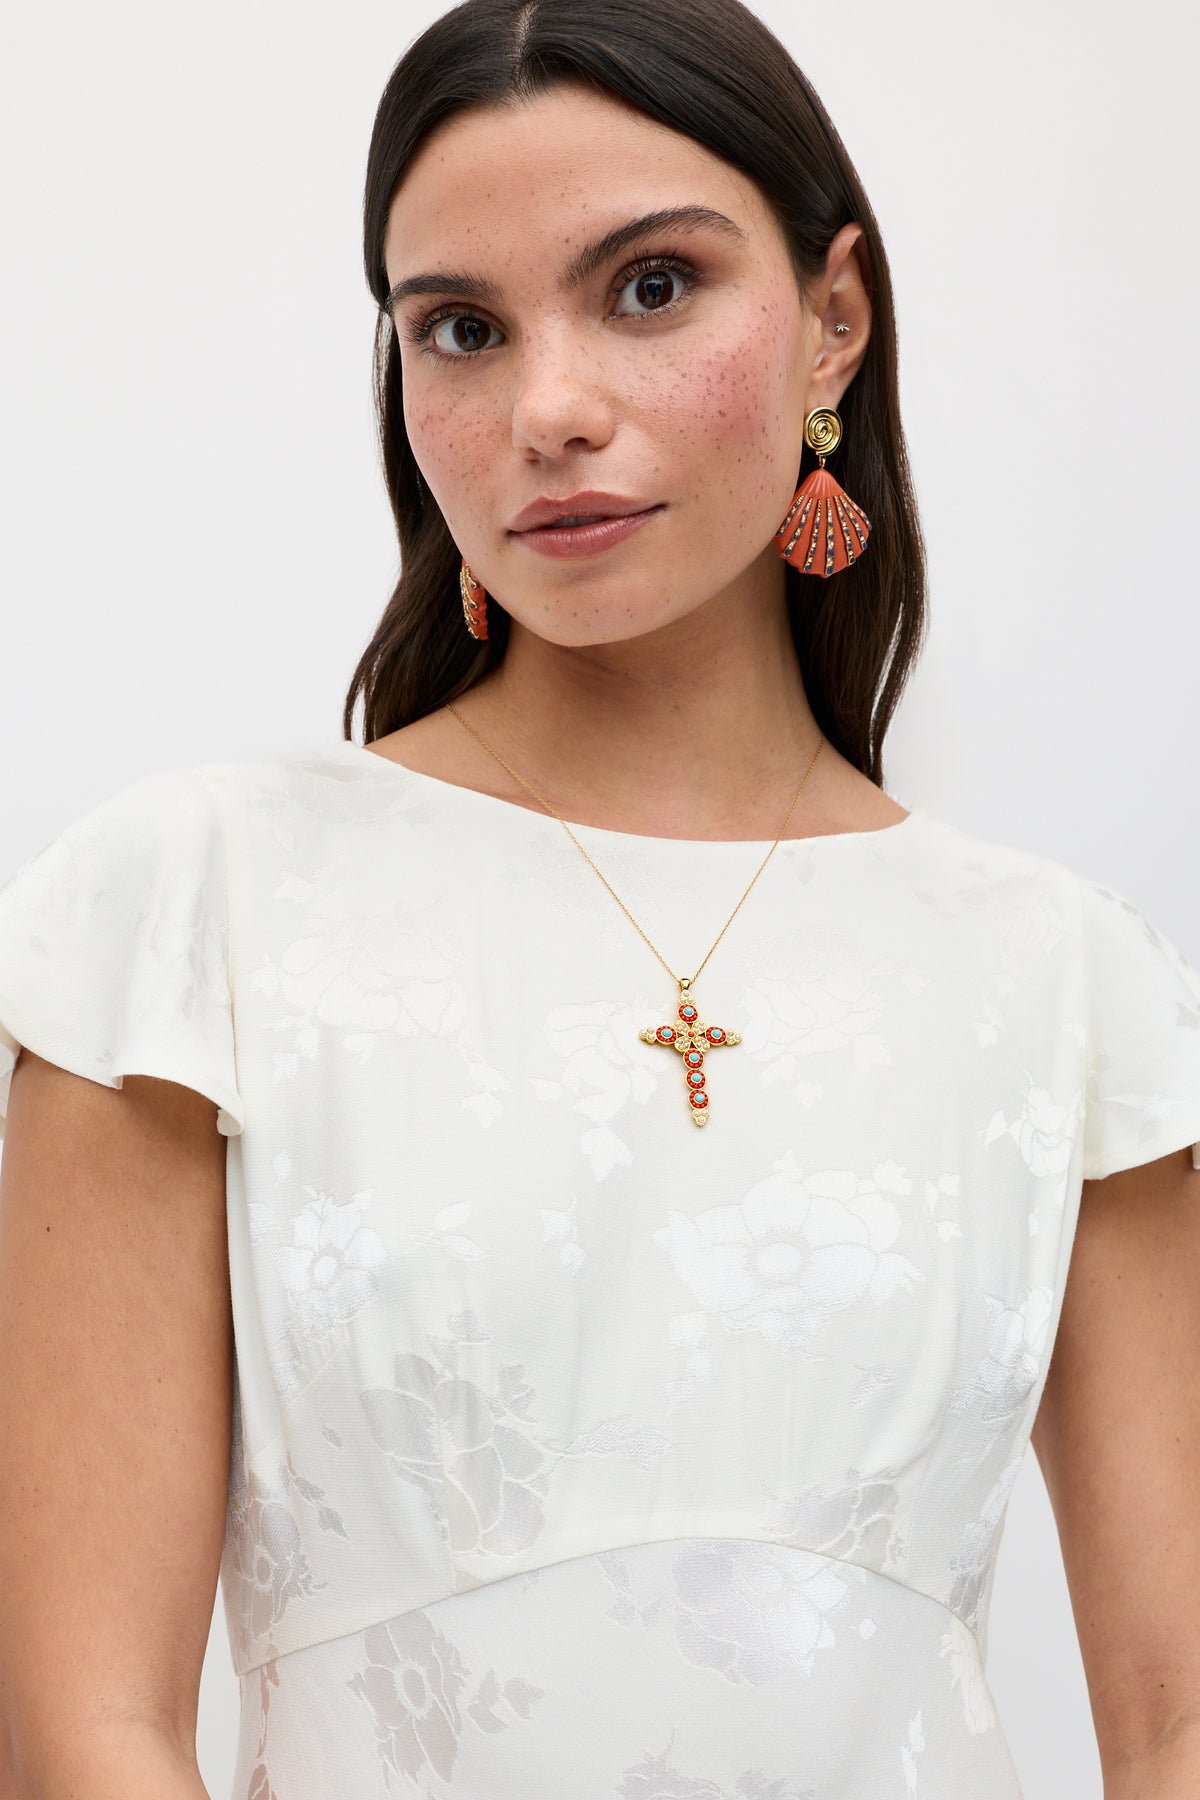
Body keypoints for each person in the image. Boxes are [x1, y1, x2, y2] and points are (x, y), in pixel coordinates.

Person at [1, 1, 1198, 1795]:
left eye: (649, 288)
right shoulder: (192, 916)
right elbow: (78, 1728)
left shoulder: (1067, 983)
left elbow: (1180, 1722)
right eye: (461, 330)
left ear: (834, 323)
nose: (546, 411)